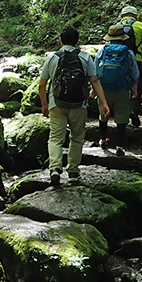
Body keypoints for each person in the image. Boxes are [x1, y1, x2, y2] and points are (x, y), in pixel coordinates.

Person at [39, 27, 110, 187]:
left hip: (56, 103)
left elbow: (42, 85)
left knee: (56, 138)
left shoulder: (52, 58)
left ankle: (55, 169)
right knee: (77, 138)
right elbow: (95, 81)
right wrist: (104, 102)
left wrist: (44, 104)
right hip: (79, 104)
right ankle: (73, 172)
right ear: (77, 41)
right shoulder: (85, 57)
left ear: (61, 41)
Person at [94, 25, 140, 157]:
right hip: (122, 89)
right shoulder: (128, 52)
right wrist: (134, 86)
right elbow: (134, 72)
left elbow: (95, 70)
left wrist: (94, 88)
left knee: (103, 115)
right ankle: (120, 146)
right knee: (121, 118)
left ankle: (103, 140)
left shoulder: (102, 51)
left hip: (104, 89)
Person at [118, 5, 142, 127]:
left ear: (122, 16)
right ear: (135, 16)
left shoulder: (115, 27)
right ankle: (134, 110)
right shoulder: (140, 26)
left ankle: (122, 115)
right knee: (137, 87)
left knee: (122, 88)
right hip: (136, 60)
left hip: (119, 62)